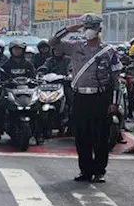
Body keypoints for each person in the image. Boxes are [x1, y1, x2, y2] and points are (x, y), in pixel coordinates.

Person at [50, 13, 122, 183]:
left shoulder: (109, 51)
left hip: (100, 97)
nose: (89, 31)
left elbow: (116, 79)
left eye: (92, 27)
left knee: (100, 136)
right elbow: (52, 42)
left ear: (100, 29)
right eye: (86, 27)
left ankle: (99, 171)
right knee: (82, 136)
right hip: (80, 96)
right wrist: (68, 29)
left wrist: (114, 102)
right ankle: (85, 171)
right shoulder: (76, 47)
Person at [0, 39, 37, 144]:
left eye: (19, 49)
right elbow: (1, 77)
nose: (17, 51)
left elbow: (34, 77)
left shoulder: (28, 64)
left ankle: (38, 134)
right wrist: (4, 82)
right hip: (10, 92)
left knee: (37, 109)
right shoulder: (6, 64)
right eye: (15, 49)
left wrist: (34, 82)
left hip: (26, 93)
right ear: (11, 50)